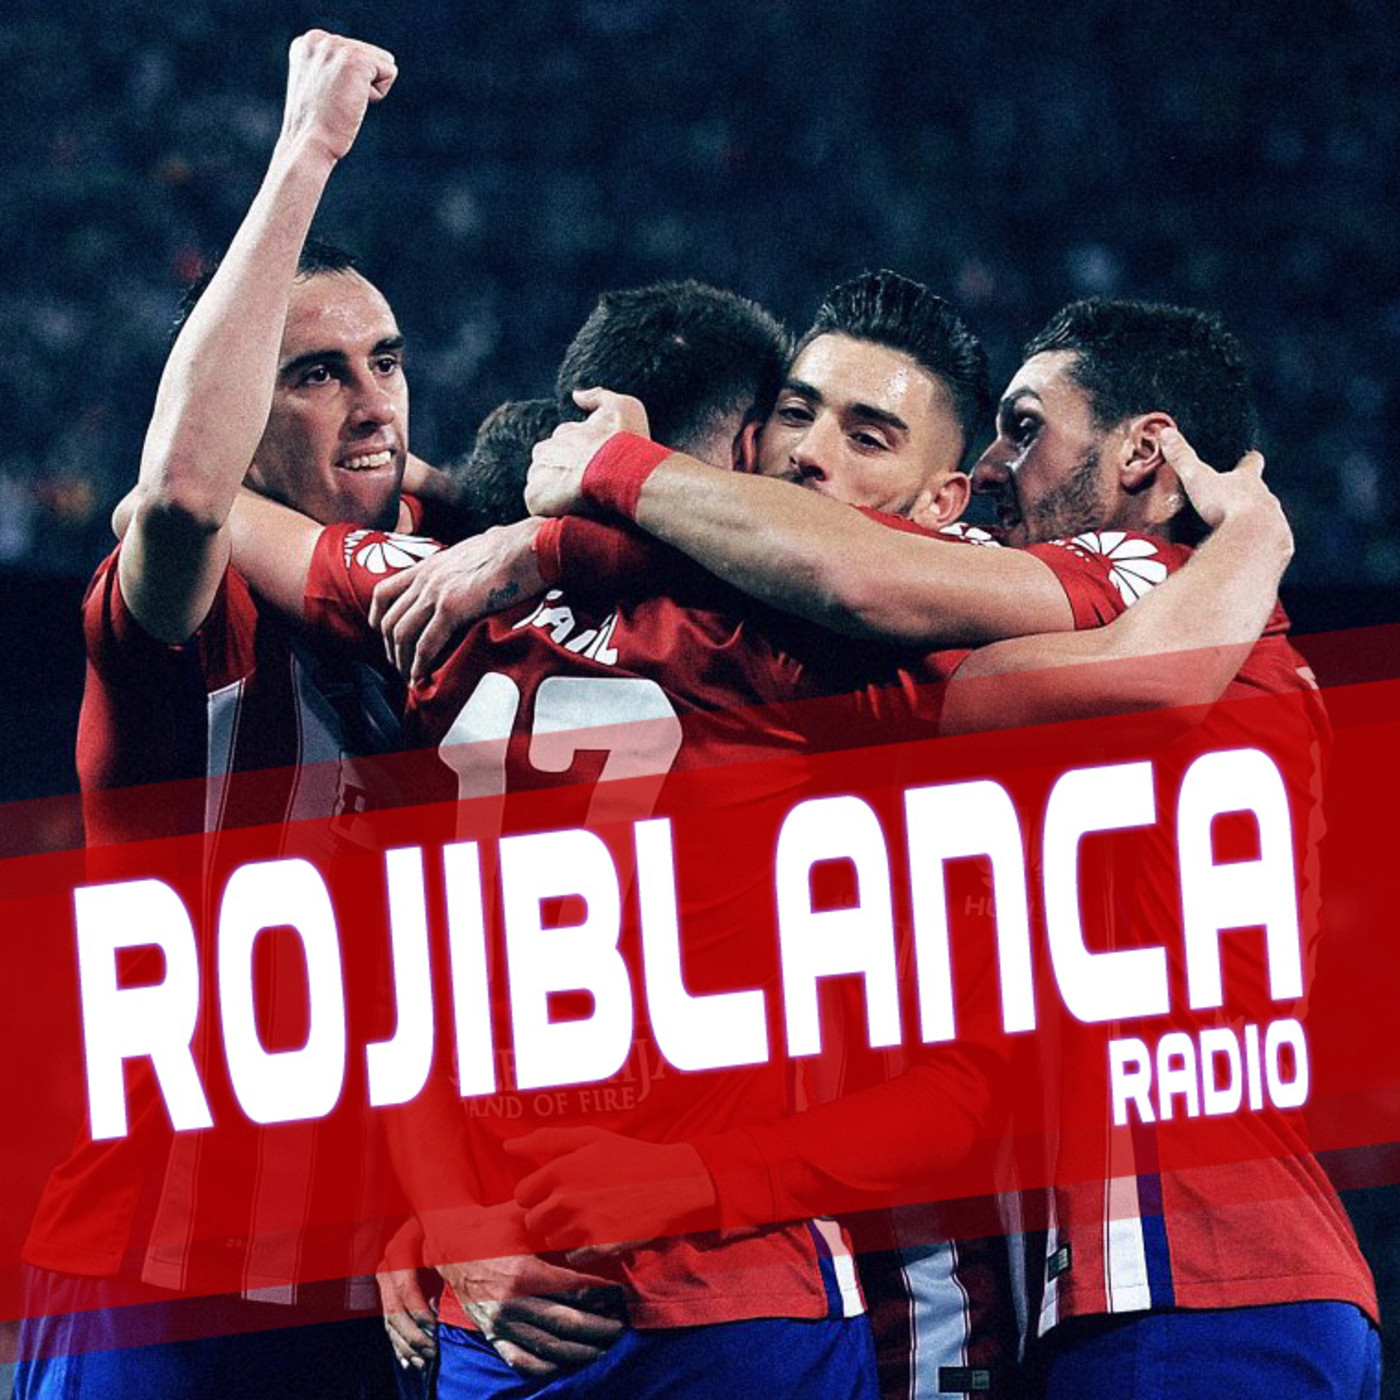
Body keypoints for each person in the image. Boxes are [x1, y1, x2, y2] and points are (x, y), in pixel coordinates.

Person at [235, 274, 1295, 1399]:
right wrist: (448, 1206)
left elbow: (864, 579)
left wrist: (566, 528)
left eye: (866, 435)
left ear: (946, 506)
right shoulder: (809, 652)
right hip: (745, 1283)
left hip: (932, 1298)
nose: (808, 456)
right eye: (794, 413)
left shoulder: (925, 634)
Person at [512, 294, 1379, 1398]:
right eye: (795, 416)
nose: (998, 465)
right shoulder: (1187, 616)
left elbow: (865, 583)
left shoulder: (1153, 583)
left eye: (1025, 427)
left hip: (1174, 1278)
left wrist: (601, 492)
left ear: (1142, 451)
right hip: (1157, 1284)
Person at [19, 31, 415, 1399]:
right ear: (244, 402)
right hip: (158, 1278)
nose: (370, 403)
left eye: (385, 362)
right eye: (316, 373)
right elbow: (186, 499)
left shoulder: (437, 591)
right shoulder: (185, 626)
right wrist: (307, 151)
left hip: (370, 1283)